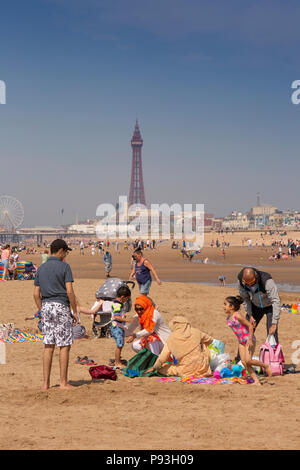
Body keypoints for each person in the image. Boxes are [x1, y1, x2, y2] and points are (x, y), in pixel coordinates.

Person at [33, 239, 78, 391]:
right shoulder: (65, 267)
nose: (66, 255)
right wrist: (74, 311)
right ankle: (63, 382)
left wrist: (41, 310)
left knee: (48, 346)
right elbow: (70, 291)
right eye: (66, 252)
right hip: (61, 305)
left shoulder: (41, 268)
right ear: (60, 251)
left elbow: (36, 294)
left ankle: (45, 384)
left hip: (46, 306)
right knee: (64, 345)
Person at [145, 315, 213, 378]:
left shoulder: (171, 338)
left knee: (163, 368)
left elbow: (162, 358)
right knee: (203, 343)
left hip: (186, 371)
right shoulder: (196, 332)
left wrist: (154, 367)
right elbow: (210, 340)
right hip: (203, 368)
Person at [224, 295, 272, 385]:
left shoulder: (237, 315)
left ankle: (265, 365)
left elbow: (250, 326)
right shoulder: (228, 318)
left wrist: (250, 339)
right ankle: (256, 381)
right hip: (241, 341)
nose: (223, 306)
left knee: (249, 360)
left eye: (225, 304)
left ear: (232, 307)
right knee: (244, 362)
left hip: (249, 339)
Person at [237, 267, 280, 343]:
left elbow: (275, 300)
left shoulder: (267, 281)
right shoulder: (241, 281)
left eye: (252, 282)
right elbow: (245, 299)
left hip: (270, 306)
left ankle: (274, 354)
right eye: (247, 283)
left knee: (272, 333)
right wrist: (250, 315)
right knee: (246, 332)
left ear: (256, 276)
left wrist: (274, 323)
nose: (250, 285)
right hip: (255, 306)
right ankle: (241, 355)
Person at [108, 285, 132, 367]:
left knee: (120, 345)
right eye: (127, 298)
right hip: (116, 327)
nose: (127, 300)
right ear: (122, 297)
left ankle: (118, 360)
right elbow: (116, 317)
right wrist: (127, 320)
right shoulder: (117, 305)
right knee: (120, 345)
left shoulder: (116, 303)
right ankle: (117, 362)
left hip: (118, 327)